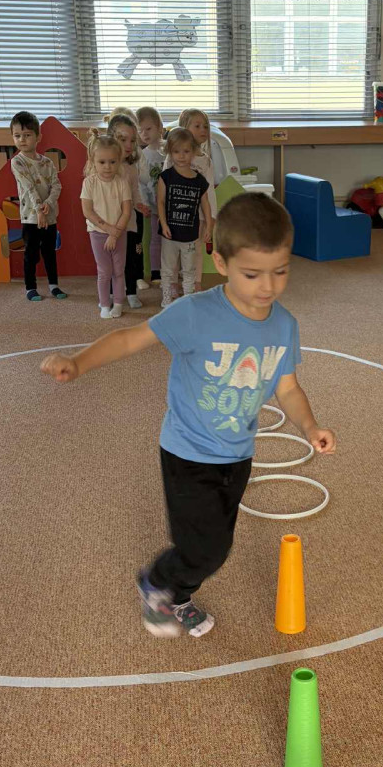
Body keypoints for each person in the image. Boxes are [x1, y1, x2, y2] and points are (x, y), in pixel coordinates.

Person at [41, 193, 336, 638]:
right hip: (188, 453)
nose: (268, 286)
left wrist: (310, 426)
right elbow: (129, 338)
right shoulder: (196, 313)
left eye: (280, 271)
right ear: (220, 261)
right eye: (252, 273)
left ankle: (177, 595)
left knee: (216, 542)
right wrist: (78, 363)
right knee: (206, 549)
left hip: (237, 454)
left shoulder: (284, 325)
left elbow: (288, 388)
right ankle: (157, 582)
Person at [9, 110, 66, 302]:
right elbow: (29, 187)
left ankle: (54, 285)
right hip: (31, 217)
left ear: (38, 137)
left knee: (49, 252)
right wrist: (39, 210)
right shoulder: (17, 162)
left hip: (49, 215)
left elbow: (57, 185)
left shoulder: (47, 162)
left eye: (27, 135)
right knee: (31, 254)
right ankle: (30, 287)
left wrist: (48, 203)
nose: (22, 140)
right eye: (17, 136)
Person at [157, 127, 213, 308]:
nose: (181, 156)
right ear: (170, 152)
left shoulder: (199, 180)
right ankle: (166, 300)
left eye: (186, 151)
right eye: (176, 151)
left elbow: (205, 204)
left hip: (190, 234)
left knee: (189, 269)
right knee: (168, 268)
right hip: (169, 234)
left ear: (193, 152)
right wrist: (164, 224)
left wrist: (209, 226)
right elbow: (160, 202)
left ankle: (187, 300)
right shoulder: (166, 177)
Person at [81, 130, 132, 320]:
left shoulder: (122, 182)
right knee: (104, 271)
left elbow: (126, 211)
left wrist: (115, 233)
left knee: (118, 270)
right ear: (93, 161)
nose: (108, 167)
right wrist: (108, 230)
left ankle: (118, 303)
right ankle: (104, 304)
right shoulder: (89, 183)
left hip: (119, 234)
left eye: (112, 162)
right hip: (97, 234)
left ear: (119, 161)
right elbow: (88, 211)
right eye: (102, 162)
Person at [107, 111, 150, 310]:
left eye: (132, 140)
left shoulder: (131, 168)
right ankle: (111, 293)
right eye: (122, 139)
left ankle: (131, 292)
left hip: (130, 221)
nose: (129, 145)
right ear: (111, 139)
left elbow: (135, 192)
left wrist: (140, 204)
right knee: (112, 261)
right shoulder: (105, 167)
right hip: (110, 223)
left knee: (132, 258)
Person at [178, 107, 219, 291]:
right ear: (184, 129)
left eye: (206, 126)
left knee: (196, 250)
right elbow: (165, 182)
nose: (203, 130)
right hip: (179, 214)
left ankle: (196, 282)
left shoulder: (206, 161)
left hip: (200, 215)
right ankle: (175, 282)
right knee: (177, 250)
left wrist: (212, 217)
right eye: (197, 126)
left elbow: (210, 191)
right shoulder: (175, 156)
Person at [135, 105, 165, 286]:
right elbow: (141, 183)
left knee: (173, 240)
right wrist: (145, 203)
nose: (144, 134)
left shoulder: (169, 150)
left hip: (171, 205)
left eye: (148, 128)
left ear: (160, 127)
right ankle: (155, 272)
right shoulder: (142, 155)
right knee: (155, 238)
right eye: (140, 130)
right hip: (154, 206)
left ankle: (172, 270)